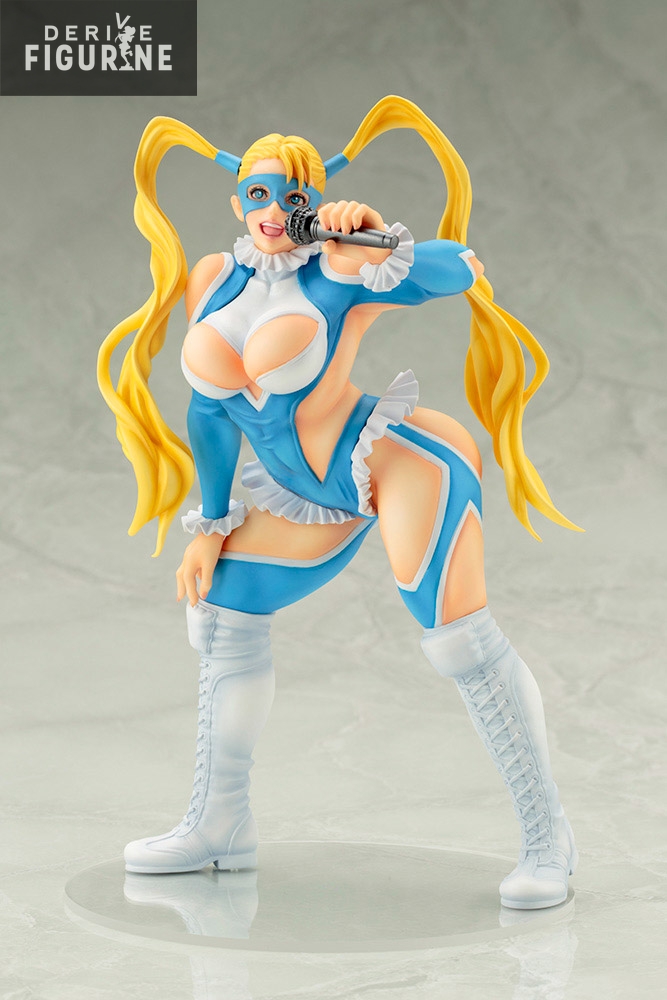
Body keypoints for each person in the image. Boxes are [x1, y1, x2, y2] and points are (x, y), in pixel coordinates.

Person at [98, 96, 580, 909]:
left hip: (387, 463)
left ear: (312, 201)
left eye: (292, 196)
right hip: (300, 494)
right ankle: (219, 825)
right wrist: (209, 523)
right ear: (238, 201)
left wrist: (374, 236)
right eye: (258, 194)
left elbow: (460, 267)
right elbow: (210, 413)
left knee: (456, 640)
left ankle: (547, 839)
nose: (272, 211)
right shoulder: (212, 279)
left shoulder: (339, 269)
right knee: (219, 608)